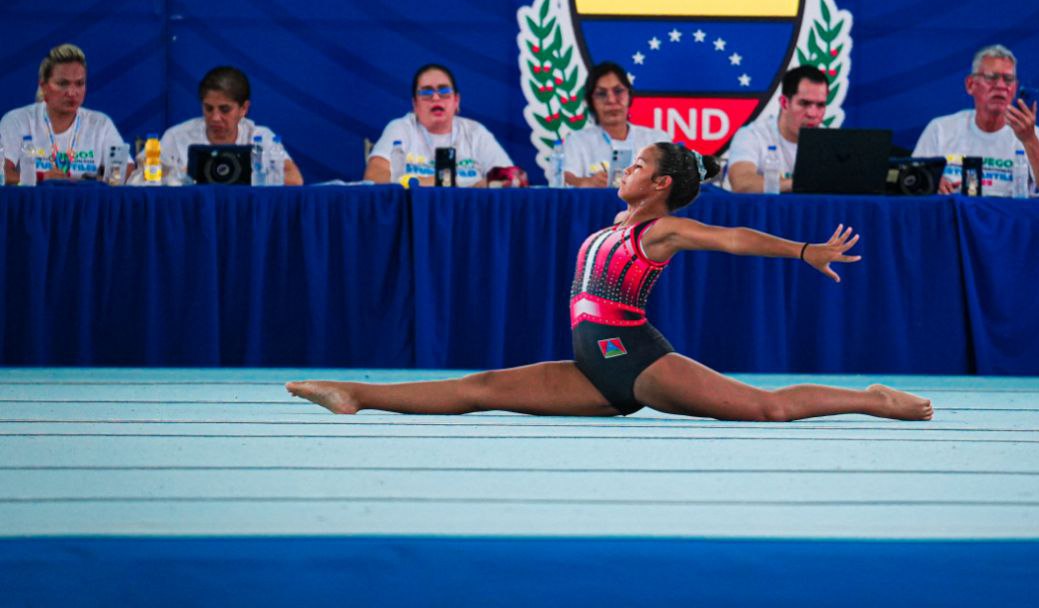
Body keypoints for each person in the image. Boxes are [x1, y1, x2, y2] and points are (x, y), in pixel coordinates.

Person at [288, 141, 932, 422]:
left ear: (660, 186)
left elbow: (733, 238)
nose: (627, 167)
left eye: (640, 165)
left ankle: (873, 398)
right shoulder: (618, 218)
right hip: (594, 369)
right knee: (483, 388)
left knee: (767, 408)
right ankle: (356, 394)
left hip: (638, 359)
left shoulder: (662, 229)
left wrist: (803, 251)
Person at [912, 44, 1039, 196]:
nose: (1000, 86)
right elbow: (911, 180)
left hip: (1008, 218)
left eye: (1008, 79)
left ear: (1014, 88)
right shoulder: (940, 129)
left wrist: (1029, 140)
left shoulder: (1034, 136)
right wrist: (930, 182)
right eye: (991, 78)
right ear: (970, 84)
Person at [1, 43, 132, 184]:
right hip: (33, 205)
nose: (72, 92)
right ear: (44, 86)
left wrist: (98, 182)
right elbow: (2, 173)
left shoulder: (100, 124)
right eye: (63, 83)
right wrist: (41, 178)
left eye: (79, 83)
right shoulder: (17, 121)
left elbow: (128, 170)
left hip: (86, 204)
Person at [365, 63, 514, 186]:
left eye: (444, 91)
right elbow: (373, 176)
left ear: (456, 101)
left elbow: (511, 177)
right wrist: (433, 182)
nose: (436, 98)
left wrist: (473, 190)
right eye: (426, 93)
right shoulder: (400, 128)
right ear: (415, 104)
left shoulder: (475, 132)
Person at [157, 66, 303, 185]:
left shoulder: (260, 137)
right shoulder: (176, 137)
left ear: (244, 109)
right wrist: (179, 176)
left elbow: (295, 179)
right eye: (208, 108)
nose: (215, 118)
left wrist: (236, 174)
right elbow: (143, 180)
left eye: (224, 109)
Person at [563, 61, 671, 187]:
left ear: (629, 95)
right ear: (591, 101)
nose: (611, 100)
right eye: (601, 94)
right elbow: (563, 179)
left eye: (618, 91)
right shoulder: (577, 141)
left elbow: (673, 183)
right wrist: (585, 182)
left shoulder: (657, 140)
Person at [725, 65, 829, 192]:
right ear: (784, 103)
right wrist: (799, 185)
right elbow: (742, 183)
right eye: (804, 103)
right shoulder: (751, 135)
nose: (812, 113)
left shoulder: (829, 140)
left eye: (820, 105)